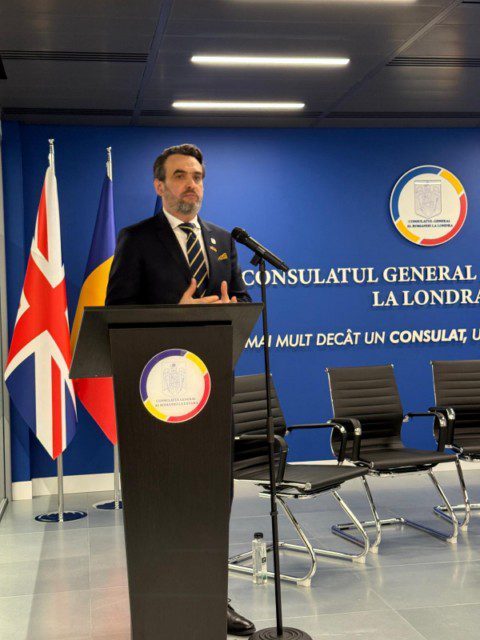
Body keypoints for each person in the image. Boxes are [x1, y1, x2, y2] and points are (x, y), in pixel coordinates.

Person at [106, 144, 255, 637]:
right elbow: (117, 310)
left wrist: (229, 306)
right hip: (158, 401)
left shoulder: (222, 240)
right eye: (180, 176)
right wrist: (177, 311)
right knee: (165, 501)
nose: (192, 184)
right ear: (160, 186)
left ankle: (215, 600)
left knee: (213, 498)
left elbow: (241, 300)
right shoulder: (137, 239)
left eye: (198, 176)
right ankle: (163, 601)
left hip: (210, 396)